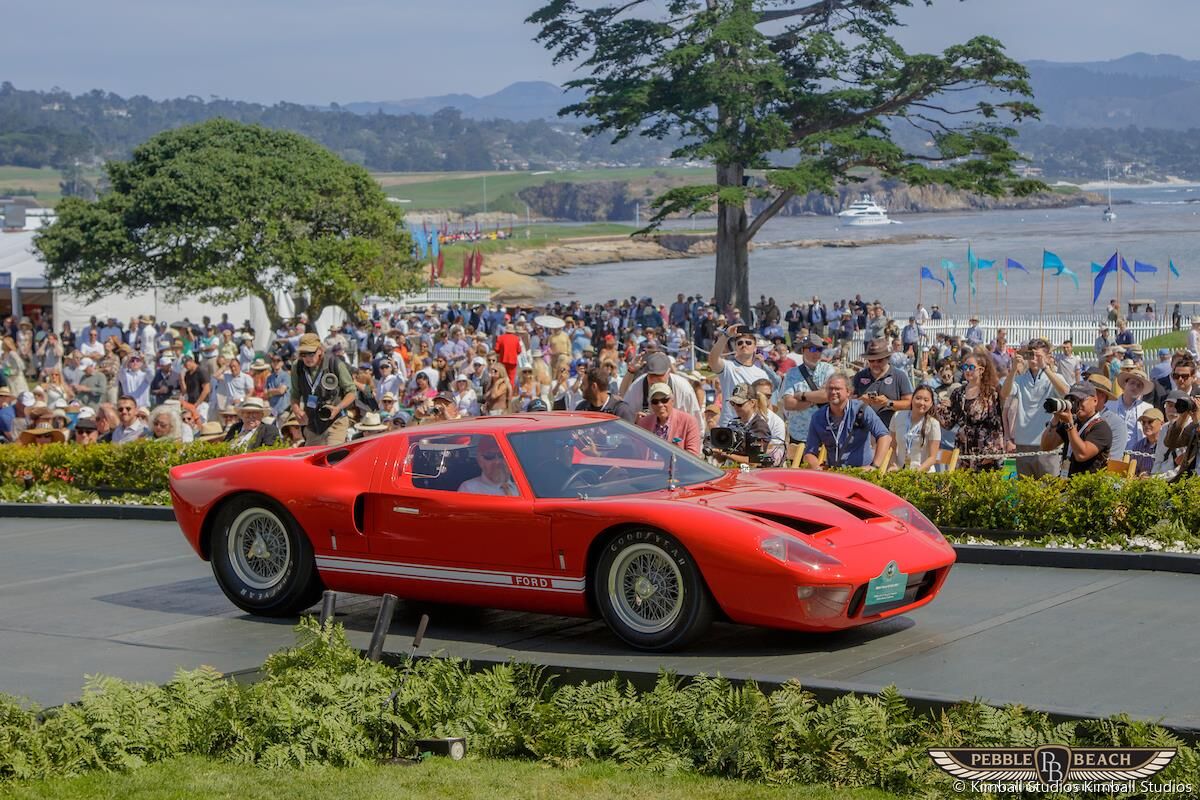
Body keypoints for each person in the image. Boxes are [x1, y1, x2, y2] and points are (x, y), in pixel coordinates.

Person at [1001, 338, 1069, 477]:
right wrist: (1013, 369)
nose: (1034, 359)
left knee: (1049, 493)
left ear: (1048, 357)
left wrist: (1045, 367)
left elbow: (1066, 392)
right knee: (1025, 494)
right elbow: (1004, 393)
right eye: (1031, 355)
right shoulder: (1020, 379)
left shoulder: (1055, 377)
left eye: (1038, 356)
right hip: (1023, 442)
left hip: (1047, 443)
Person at [933, 348, 1005, 471]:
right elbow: (949, 423)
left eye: (971, 367)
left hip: (984, 452)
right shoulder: (958, 392)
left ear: (981, 370)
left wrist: (993, 452)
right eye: (965, 367)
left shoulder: (990, 393)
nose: (967, 370)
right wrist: (940, 409)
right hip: (963, 450)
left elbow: (996, 424)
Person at [802, 373, 891, 469]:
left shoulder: (861, 410)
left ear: (848, 392)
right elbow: (809, 453)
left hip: (861, 471)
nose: (833, 392)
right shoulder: (818, 417)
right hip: (834, 473)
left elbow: (885, 436)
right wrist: (816, 467)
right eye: (830, 389)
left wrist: (874, 466)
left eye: (837, 389)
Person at [289, 332, 356, 446]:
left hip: (336, 421)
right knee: (313, 460)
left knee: (332, 456)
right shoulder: (297, 367)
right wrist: (297, 410)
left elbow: (352, 392)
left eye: (311, 354)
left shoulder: (335, 364)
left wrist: (337, 408)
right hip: (312, 425)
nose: (307, 358)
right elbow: (294, 395)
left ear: (320, 350)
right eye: (303, 354)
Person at [776, 333, 835, 449]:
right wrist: (814, 399)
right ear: (803, 350)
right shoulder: (792, 373)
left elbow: (826, 395)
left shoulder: (828, 369)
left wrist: (801, 396)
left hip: (825, 433)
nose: (816, 353)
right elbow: (788, 403)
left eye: (819, 349)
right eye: (812, 348)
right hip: (799, 435)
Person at [1040, 382, 1113, 476]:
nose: (1077, 404)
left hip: (1087, 486)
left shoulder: (1101, 428)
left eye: (1081, 399)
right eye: (1073, 400)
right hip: (1065, 482)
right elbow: (1046, 446)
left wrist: (1069, 425)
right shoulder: (1072, 421)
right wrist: (1055, 418)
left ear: (1095, 400)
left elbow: (1081, 455)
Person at [707, 322, 772, 427]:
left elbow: (766, 404)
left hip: (753, 426)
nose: (744, 345)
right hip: (729, 425)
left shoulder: (762, 374)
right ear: (736, 347)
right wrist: (726, 335)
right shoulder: (728, 367)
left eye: (748, 343)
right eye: (740, 343)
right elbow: (712, 359)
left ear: (755, 347)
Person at [621, 351, 703, 432]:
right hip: (646, 438)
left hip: (676, 438)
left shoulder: (683, 389)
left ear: (668, 372)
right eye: (651, 375)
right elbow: (623, 412)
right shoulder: (637, 386)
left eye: (659, 375)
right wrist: (634, 419)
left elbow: (697, 424)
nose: (655, 379)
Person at [851, 338, 913, 429]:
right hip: (863, 430)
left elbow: (909, 404)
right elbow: (848, 403)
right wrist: (860, 401)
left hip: (891, 430)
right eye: (871, 360)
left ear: (888, 358)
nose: (875, 364)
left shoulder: (899, 376)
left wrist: (888, 403)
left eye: (879, 360)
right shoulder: (859, 376)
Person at [636, 382, 701, 456]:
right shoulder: (643, 423)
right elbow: (637, 453)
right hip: (648, 466)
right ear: (651, 404)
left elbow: (693, 456)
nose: (660, 405)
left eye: (664, 400)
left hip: (677, 467)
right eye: (655, 401)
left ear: (672, 401)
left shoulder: (689, 421)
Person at [888, 385, 941, 472]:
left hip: (923, 474)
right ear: (912, 399)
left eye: (926, 400)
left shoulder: (933, 424)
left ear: (931, 403)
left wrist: (915, 473)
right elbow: (892, 447)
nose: (921, 403)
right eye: (918, 398)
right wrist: (894, 465)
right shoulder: (898, 416)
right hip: (899, 472)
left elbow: (932, 458)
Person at [1108, 368, 1154, 446]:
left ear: (1141, 390)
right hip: (1113, 453)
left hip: (1137, 454)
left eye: (1139, 385)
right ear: (1125, 384)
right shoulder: (1108, 406)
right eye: (1132, 383)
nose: (1135, 387)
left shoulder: (1148, 408)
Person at [1129, 408, 1164, 475]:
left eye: (1150, 421)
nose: (1146, 425)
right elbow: (1132, 473)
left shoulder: (1167, 445)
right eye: (1143, 422)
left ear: (1161, 423)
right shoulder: (1138, 446)